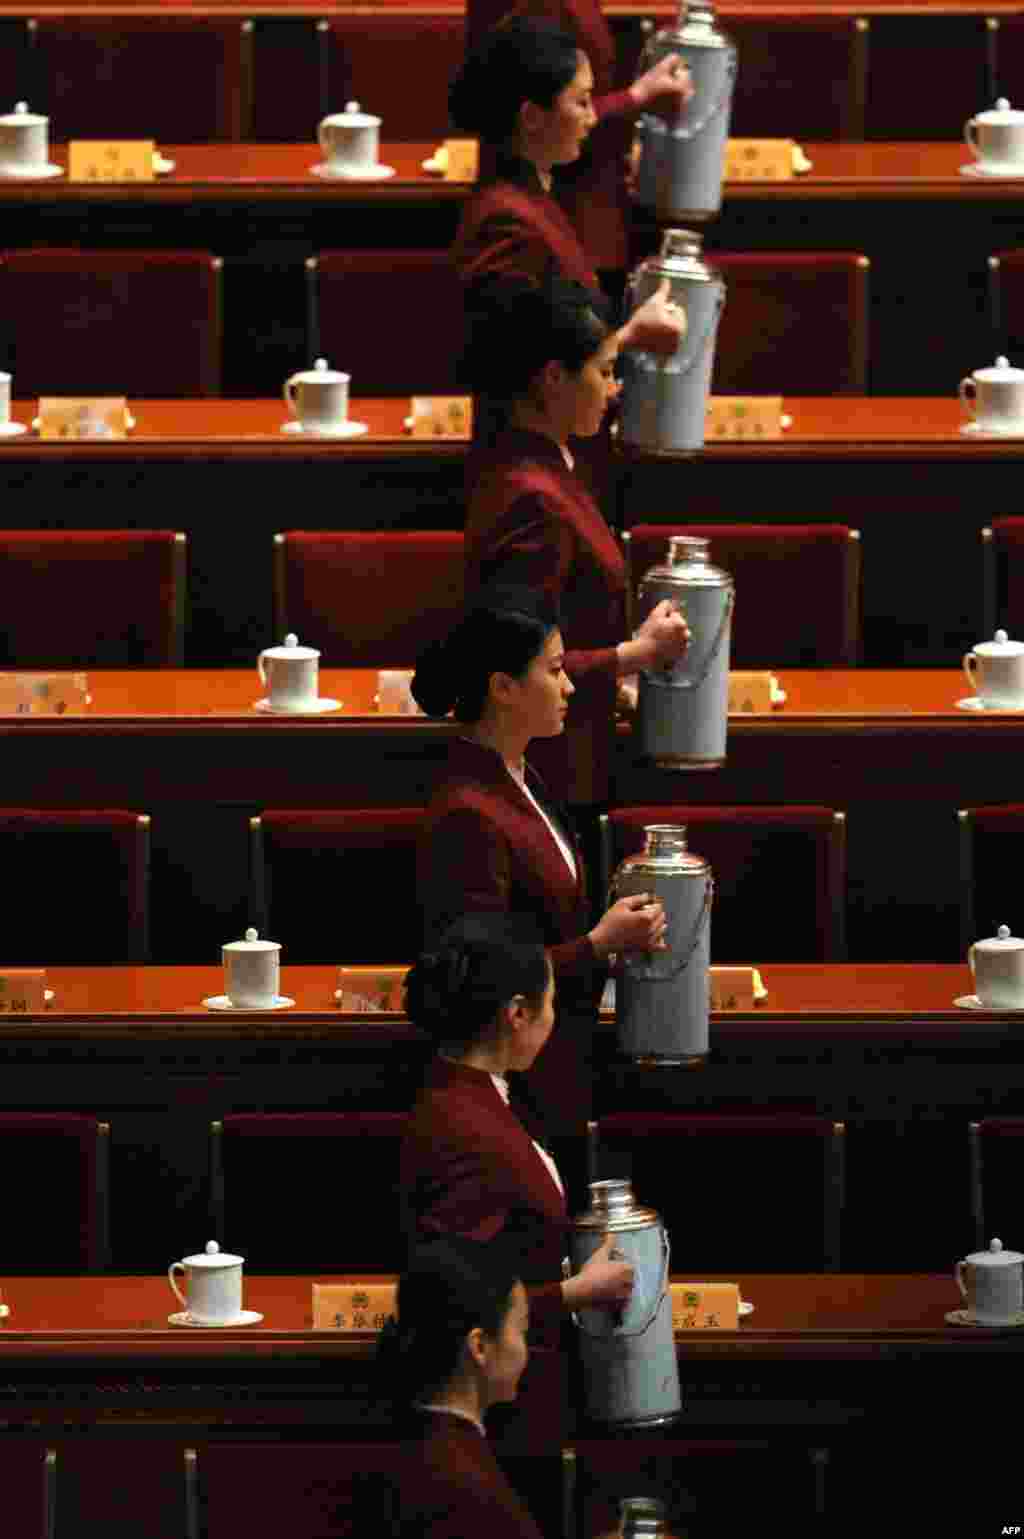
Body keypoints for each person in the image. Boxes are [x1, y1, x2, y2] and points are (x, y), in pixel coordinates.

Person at [413, 592, 668, 1124]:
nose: (570, 686)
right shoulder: (468, 813)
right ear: (503, 688)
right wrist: (599, 944)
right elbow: (477, 978)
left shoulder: (521, 776)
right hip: (514, 1084)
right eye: (555, 670)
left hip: (556, 1062)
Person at [460, 278, 689, 801]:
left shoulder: (552, 461)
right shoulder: (531, 497)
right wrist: (638, 654)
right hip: (549, 764)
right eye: (605, 372)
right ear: (552, 380)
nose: (616, 389)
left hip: (574, 743)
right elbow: (514, 660)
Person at [401, 918, 637, 1329]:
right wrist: (574, 1293)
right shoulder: (464, 1128)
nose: (553, 1017)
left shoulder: (474, 1093)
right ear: (517, 1014)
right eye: (551, 1002)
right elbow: (452, 1307)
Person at [450, 18, 689, 346]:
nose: (593, 116)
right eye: (582, 102)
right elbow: (520, 369)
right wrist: (631, 336)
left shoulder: (532, 196)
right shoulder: (506, 222)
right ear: (532, 117)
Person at [376, 1237, 591, 1538]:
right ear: (479, 1346)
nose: (525, 1349)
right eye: (521, 1330)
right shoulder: (465, 1482)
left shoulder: (419, 1448)